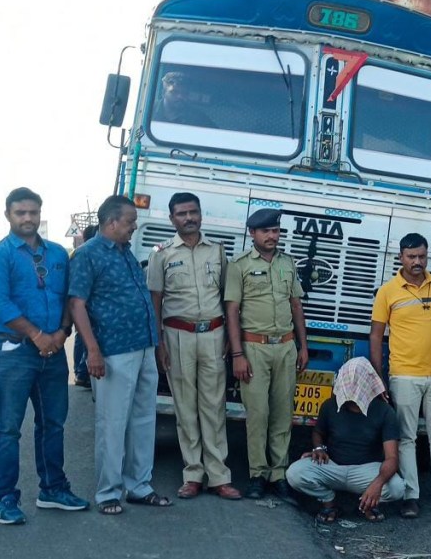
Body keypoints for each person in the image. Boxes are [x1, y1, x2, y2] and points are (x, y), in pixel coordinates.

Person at [0, 187, 90, 525]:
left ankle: (53, 489)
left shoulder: (57, 254)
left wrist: (61, 333)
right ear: (8, 216)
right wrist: (37, 335)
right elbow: (1, 305)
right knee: (8, 428)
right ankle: (4, 499)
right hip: (13, 352)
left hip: (52, 352)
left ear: (40, 214)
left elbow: (70, 297)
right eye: (20, 213)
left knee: (53, 423)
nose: (28, 218)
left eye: (33, 212)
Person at [68, 195, 171, 515]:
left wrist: (156, 344)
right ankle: (108, 492)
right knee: (113, 424)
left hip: (143, 348)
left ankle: (139, 485)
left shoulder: (126, 253)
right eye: (129, 222)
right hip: (113, 352)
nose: (134, 227)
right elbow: (77, 304)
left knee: (143, 421)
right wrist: (93, 352)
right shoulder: (88, 255)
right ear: (110, 222)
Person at [146, 192, 241, 501]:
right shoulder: (160, 253)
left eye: (193, 212)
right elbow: (155, 302)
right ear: (172, 219)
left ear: (201, 214)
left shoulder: (217, 251)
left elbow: (228, 298)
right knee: (185, 408)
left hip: (213, 335)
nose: (189, 218)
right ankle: (192, 475)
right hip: (177, 336)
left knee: (214, 407)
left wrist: (229, 335)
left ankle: (219, 476)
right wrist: (158, 342)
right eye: (182, 213)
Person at [369, 233, 431, 520]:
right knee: (407, 438)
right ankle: (411, 497)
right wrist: (379, 377)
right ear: (401, 257)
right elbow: (376, 336)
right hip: (404, 375)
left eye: (422, 256)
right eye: (412, 257)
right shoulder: (388, 291)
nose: (417, 262)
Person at [224, 207, 309, 502]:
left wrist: (303, 346)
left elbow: (296, 306)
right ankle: (257, 475)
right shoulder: (239, 265)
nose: (272, 236)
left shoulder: (288, 264)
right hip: (253, 348)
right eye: (266, 231)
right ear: (253, 234)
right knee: (258, 415)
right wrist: (237, 354)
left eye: (275, 231)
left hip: (285, 347)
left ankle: (279, 474)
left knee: (283, 414)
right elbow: (232, 311)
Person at [286, 357, 404, 523]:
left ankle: (367, 503)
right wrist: (319, 449)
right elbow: (318, 432)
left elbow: (392, 459)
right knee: (294, 473)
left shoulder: (384, 411)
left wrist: (377, 484)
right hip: (333, 466)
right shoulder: (330, 406)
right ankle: (329, 502)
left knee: (397, 488)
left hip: (366, 470)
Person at [72, 223, 98, 389]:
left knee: (81, 338)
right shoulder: (84, 253)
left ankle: (81, 373)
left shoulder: (79, 251)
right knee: (83, 338)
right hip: (84, 305)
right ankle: (82, 372)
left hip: (85, 304)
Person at [153, 70, 217, 127]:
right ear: (163, 93)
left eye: (184, 93)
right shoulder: (149, 110)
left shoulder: (199, 118)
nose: (180, 96)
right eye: (174, 92)